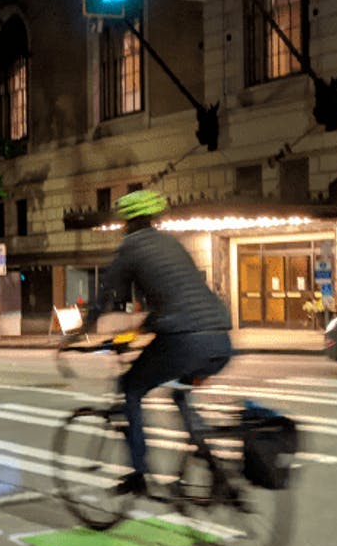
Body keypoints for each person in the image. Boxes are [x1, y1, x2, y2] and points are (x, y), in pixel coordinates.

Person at [85, 189, 234, 496]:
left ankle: (139, 474)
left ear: (129, 222)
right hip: (220, 339)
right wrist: (133, 336)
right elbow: (174, 305)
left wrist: (81, 331)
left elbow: (108, 296)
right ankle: (213, 465)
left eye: (124, 222)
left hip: (185, 341)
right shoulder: (172, 244)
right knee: (180, 395)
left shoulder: (132, 247)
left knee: (130, 389)